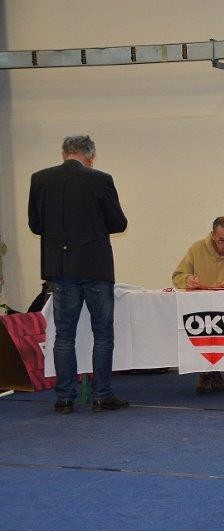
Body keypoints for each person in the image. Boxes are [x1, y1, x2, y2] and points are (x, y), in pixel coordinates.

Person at [28, 135, 129, 414]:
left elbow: (35, 225)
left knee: (64, 335)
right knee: (103, 334)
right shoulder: (101, 179)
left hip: (61, 269)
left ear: (64, 154)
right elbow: (118, 223)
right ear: (90, 157)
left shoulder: (40, 179)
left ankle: (64, 397)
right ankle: (102, 395)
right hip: (96, 268)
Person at [171, 216, 224, 393]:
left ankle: (210, 372)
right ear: (213, 235)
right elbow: (177, 276)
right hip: (200, 309)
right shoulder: (196, 249)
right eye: (222, 240)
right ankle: (209, 372)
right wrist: (187, 279)